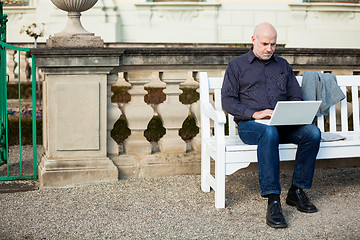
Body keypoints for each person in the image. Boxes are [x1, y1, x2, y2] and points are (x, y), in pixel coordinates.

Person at [221, 22, 321, 228]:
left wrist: (290, 111)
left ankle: (297, 191)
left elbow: (295, 95)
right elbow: (228, 101)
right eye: (265, 43)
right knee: (268, 133)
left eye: (273, 44)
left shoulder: (282, 65)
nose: (269, 49)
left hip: (282, 123)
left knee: (312, 132)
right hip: (251, 125)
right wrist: (255, 113)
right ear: (253, 40)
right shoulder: (236, 66)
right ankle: (273, 200)